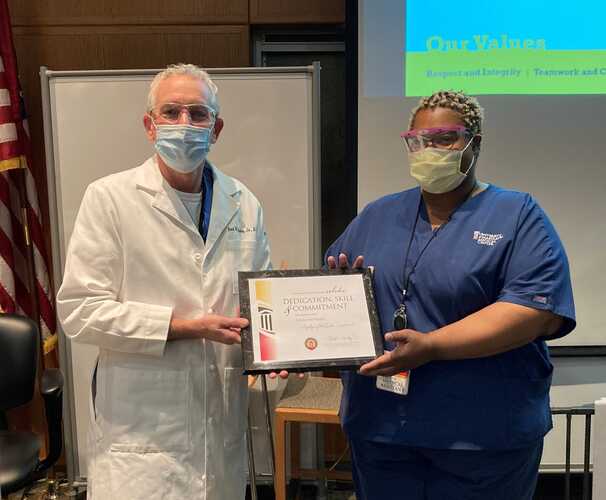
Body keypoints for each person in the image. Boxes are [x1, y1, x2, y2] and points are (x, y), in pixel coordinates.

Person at [325, 90, 575, 500]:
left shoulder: (518, 214)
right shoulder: (378, 214)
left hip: (483, 437)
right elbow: (327, 290)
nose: (430, 149)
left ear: (474, 144)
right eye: (418, 140)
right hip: (383, 432)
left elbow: (534, 312)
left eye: (445, 138)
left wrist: (432, 347)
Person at [57, 64, 271, 500]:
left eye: (198, 113)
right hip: (142, 440)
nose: (185, 125)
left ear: (217, 128)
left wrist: (273, 348)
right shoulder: (110, 198)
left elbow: (260, 301)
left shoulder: (243, 203)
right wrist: (186, 327)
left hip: (221, 433)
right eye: (171, 112)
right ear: (149, 125)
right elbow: (79, 312)